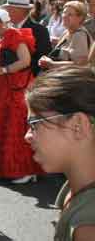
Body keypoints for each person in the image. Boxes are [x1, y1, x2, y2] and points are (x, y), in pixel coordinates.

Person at [25, 66, 95, 241]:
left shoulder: (87, 228)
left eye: (35, 124)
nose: (27, 136)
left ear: (77, 125)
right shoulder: (74, 187)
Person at [0, 6, 42, 183]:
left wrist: (2, 70)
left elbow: (25, 61)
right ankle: (1, 168)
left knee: (16, 126)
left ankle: (25, 170)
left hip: (16, 88)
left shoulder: (14, 35)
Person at [4, 0, 52, 76]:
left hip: (27, 81)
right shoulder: (6, 28)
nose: (7, 13)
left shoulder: (39, 30)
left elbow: (41, 59)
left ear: (19, 10)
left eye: (9, 9)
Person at [40, 1, 92, 70]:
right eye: (64, 13)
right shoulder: (67, 32)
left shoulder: (80, 35)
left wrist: (52, 64)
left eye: (70, 14)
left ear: (80, 18)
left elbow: (81, 64)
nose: (64, 16)